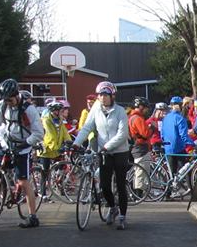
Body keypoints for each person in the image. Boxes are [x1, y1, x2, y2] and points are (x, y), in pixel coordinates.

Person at [0, 78, 45, 228]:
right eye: (5, 100)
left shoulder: (29, 110)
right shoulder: (2, 105)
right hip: (7, 143)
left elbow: (38, 133)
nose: (7, 103)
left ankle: (33, 217)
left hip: (23, 147)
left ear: (17, 95)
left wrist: (25, 143)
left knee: (23, 181)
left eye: (10, 100)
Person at [73, 81, 132, 230]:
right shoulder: (96, 109)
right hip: (104, 153)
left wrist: (106, 146)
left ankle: (122, 216)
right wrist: (76, 144)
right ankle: (113, 207)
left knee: (120, 184)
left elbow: (122, 134)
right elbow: (87, 127)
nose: (103, 98)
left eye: (106, 95)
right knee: (104, 186)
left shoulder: (120, 111)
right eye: (100, 95)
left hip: (120, 152)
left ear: (112, 96)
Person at [36, 100, 72, 202]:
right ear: (53, 111)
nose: (61, 112)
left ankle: (58, 185)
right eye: (59, 110)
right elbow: (50, 136)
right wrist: (57, 148)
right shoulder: (46, 120)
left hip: (56, 149)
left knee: (62, 166)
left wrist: (69, 142)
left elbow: (64, 132)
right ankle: (43, 194)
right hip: (46, 149)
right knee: (45, 172)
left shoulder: (59, 120)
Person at [160, 96, 194, 176]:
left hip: (167, 148)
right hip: (178, 148)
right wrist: (193, 144)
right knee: (187, 170)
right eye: (181, 104)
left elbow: (162, 133)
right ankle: (189, 185)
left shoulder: (165, 118)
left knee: (172, 174)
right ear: (178, 105)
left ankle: (171, 183)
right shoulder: (180, 118)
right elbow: (184, 136)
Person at [127, 97, 153, 199]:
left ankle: (136, 194)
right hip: (141, 148)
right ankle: (138, 195)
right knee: (141, 171)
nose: (147, 110)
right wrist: (152, 127)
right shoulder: (138, 118)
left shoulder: (132, 117)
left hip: (136, 147)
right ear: (141, 107)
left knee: (138, 171)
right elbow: (145, 134)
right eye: (146, 108)